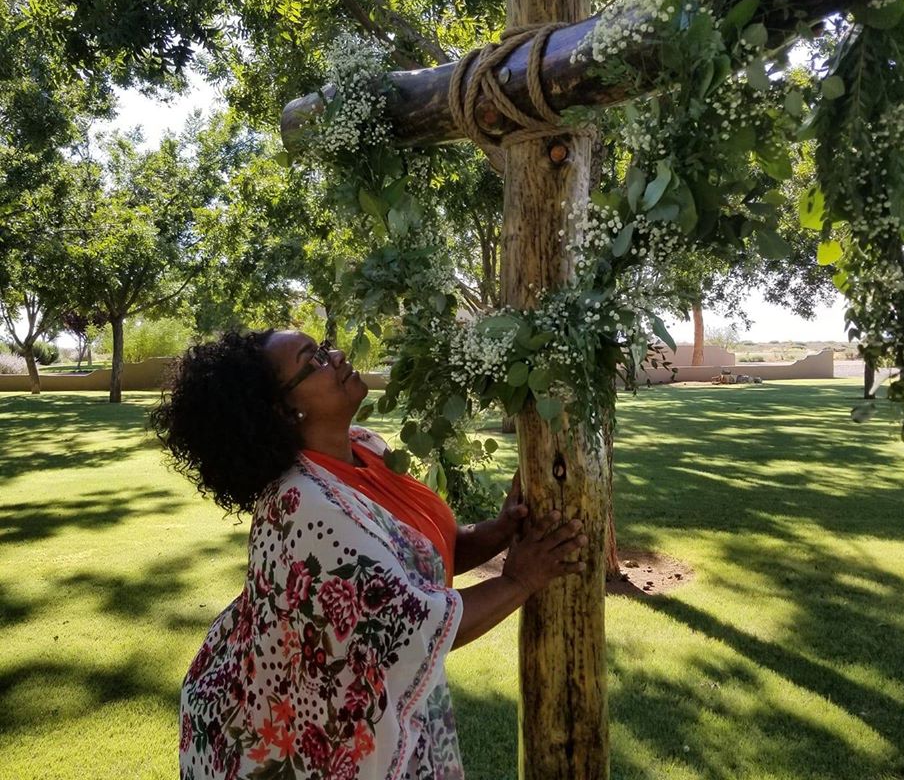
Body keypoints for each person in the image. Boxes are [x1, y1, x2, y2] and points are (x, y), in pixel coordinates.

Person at [151, 329, 588, 780]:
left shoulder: (366, 448)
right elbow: (408, 628)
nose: (335, 355)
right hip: (292, 732)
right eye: (313, 360)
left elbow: (419, 561)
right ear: (284, 411)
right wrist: (520, 580)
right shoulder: (303, 506)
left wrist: (499, 531)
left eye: (322, 348)